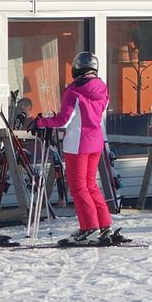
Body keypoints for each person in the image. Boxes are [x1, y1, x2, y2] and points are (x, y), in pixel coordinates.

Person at [33, 52, 113, 242]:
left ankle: (89, 227)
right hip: (96, 142)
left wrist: (41, 122)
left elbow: (64, 120)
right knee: (91, 184)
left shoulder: (74, 90)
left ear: (76, 69)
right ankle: (104, 224)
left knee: (78, 188)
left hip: (77, 143)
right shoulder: (102, 89)